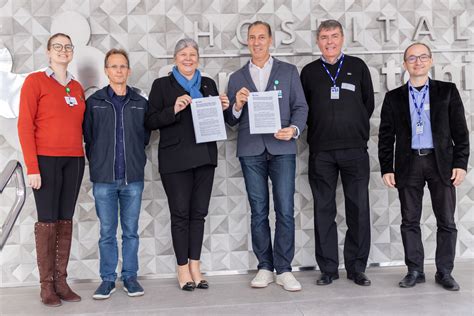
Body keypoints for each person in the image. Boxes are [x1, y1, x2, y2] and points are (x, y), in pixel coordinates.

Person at [378, 43, 469, 291]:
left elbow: (461, 132)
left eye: (422, 57)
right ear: (405, 64)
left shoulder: (447, 91)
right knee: (409, 220)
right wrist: (387, 167)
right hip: (408, 164)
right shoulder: (393, 97)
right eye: (411, 58)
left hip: (441, 163)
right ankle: (414, 270)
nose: (417, 61)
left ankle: (444, 272)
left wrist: (461, 164)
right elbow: (386, 137)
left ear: (430, 61)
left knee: (446, 220)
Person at [225, 21, 308, 292]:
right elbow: (230, 121)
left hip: (282, 149)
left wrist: (293, 130)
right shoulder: (237, 78)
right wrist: (236, 105)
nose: (257, 42)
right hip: (251, 151)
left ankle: (284, 269)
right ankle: (265, 266)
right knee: (259, 211)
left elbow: (300, 107)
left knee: (284, 209)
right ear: (247, 41)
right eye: (252, 37)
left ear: (270, 40)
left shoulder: (288, 71)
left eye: (262, 37)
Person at [145, 38, 230, 291]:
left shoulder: (208, 84)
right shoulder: (161, 85)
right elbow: (149, 121)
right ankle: (182, 267)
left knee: (199, 214)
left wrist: (224, 107)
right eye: (183, 54)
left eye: (193, 54)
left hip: (204, 158)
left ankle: (196, 265)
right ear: (175, 58)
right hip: (175, 161)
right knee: (180, 214)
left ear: (198, 58)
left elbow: (217, 119)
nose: (188, 58)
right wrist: (174, 109)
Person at [300, 19, 374, 287]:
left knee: (358, 209)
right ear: (317, 41)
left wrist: (352, 127)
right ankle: (328, 268)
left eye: (334, 36)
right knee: (323, 209)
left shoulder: (357, 67)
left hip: (355, 150)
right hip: (321, 152)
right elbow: (303, 109)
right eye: (323, 37)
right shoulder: (308, 72)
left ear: (342, 39)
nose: (329, 42)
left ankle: (357, 268)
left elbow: (368, 104)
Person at [18, 33, 85, 307]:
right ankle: (46, 285)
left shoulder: (77, 87)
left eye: (68, 47)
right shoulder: (35, 82)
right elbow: (24, 126)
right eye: (57, 47)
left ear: (72, 52)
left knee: (64, 220)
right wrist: (32, 167)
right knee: (47, 221)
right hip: (45, 161)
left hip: (74, 160)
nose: (63, 51)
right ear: (48, 52)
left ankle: (61, 281)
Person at [83, 49, 150, 299]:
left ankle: (130, 277)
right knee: (107, 232)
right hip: (104, 180)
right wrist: (100, 161)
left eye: (123, 66)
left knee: (131, 231)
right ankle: (108, 279)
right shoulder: (95, 102)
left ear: (129, 70)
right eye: (114, 66)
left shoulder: (140, 103)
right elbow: (89, 138)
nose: (119, 70)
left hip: (132, 178)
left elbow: (144, 137)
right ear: (106, 71)